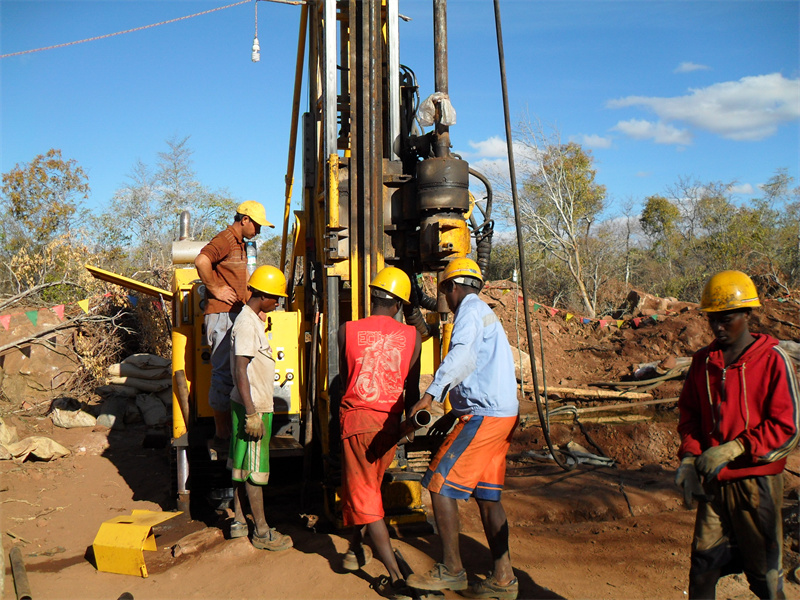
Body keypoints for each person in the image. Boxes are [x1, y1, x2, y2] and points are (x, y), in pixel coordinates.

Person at [675, 270, 799, 599]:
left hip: (756, 486)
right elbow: (690, 415)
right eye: (712, 319)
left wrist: (736, 448)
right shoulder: (703, 363)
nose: (717, 327)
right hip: (713, 484)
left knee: (766, 578)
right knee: (702, 571)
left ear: (747, 314)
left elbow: (788, 427)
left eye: (726, 319)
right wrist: (689, 458)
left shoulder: (774, 361)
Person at [406, 258, 520, 600]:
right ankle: (504, 578)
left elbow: (462, 358)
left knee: (439, 483)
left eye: (445, 291)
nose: (446, 299)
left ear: (453, 287)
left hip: (485, 416)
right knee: (488, 497)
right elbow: (478, 370)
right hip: (500, 414)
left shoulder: (469, 312)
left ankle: (452, 570)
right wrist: (452, 413)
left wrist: (428, 396)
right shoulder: (483, 311)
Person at [337, 267, 422, 600]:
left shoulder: (347, 330)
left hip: (357, 422)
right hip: (392, 426)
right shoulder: (414, 337)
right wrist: (409, 428)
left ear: (371, 297)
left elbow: (345, 378)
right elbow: (411, 389)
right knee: (367, 487)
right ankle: (356, 546)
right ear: (400, 305)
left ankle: (396, 577)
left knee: (366, 495)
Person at [194, 200, 273, 458]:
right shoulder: (226, 239)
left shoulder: (241, 244)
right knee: (223, 373)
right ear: (245, 220)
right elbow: (202, 260)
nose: (258, 231)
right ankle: (222, 434)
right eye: (257, 226)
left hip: (233, 314)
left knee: (235, 372)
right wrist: (215, 288)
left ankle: (231, 429)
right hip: (222, 315)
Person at [227, 265, 293, 551]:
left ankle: (239, 522)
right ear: (263, 295)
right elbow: (241, 369)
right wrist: (253, 413)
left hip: (248, 403)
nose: (278, 303)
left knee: (242, 465)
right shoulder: (246, 324)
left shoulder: (251, 320)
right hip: (251, 406)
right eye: (275, 297)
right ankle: (262, 532)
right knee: (255, 470)